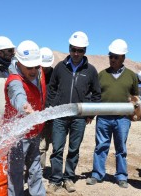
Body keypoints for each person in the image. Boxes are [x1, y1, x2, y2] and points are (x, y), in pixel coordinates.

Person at [46, 31, 101, 193]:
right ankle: (55, 179)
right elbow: (52, 88)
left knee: (74, 149)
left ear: (85, 51)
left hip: (79, 118)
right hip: (60, 116)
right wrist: (51, 108)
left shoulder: (90, 70)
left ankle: (69, 178)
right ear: (69, 48)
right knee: (57, 149)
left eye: (80, 50)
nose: (76, 53)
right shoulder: (60, 68)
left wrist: (90, 113)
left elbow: (96, 94)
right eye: (74, 49)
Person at [86, 39, 139, 188]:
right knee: (101, 146)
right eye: (110, 56)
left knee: (121, 148)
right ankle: (97, 174)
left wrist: (133, 114)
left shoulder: (131, 76)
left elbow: (135, 96)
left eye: (116, 57)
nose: (112, 59)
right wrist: (91, 114)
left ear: (123, 57)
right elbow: (95, 96)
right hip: (103, 118)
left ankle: (121, 176)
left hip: (123, 119)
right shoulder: (102, 75)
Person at [4, 40, 46, 196]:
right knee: (16, 172)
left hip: (35, 130)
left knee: (36, 168)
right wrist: (25, 106)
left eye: (36, 66)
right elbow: (17, 95)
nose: (34, 70)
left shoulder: (39, 71)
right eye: (29, 67)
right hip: (18, 135)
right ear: (19, 63)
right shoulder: (14, 80)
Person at [39, 47, 54, 170]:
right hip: (37, 116)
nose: (44, 68)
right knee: (40, 146)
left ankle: (49, 171)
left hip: (52, 117)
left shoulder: (56, 75)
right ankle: (37, 170)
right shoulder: (34, 74)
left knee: (52, 145)